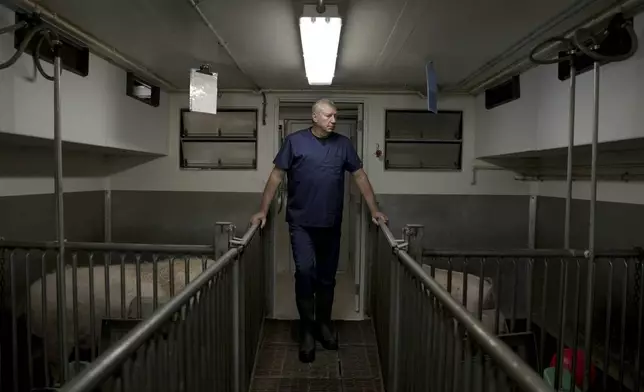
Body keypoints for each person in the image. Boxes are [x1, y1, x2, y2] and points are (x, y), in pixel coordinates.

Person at [250, 98, 387, 363]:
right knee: (304, 273)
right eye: (328, 116)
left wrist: (374, 209)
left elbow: (359, 176)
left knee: (326, 278)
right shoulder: (294, 142)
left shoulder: (343, 145)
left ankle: (324, 324)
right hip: (301, 224)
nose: (333, 120)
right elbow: (276, 177)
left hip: (331, 223)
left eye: (335, 116)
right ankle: (308, 331)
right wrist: (263, 210)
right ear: (314, 117)